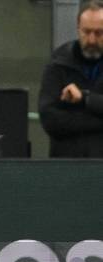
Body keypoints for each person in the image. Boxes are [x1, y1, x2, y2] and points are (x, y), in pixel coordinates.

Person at [39, 0, 103, 157]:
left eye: (99, 33)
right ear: (77, 29)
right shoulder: (59, 62)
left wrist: (84, 98)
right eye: (86, 32)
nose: (92, 40)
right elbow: (50, 119)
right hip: (67, 166)